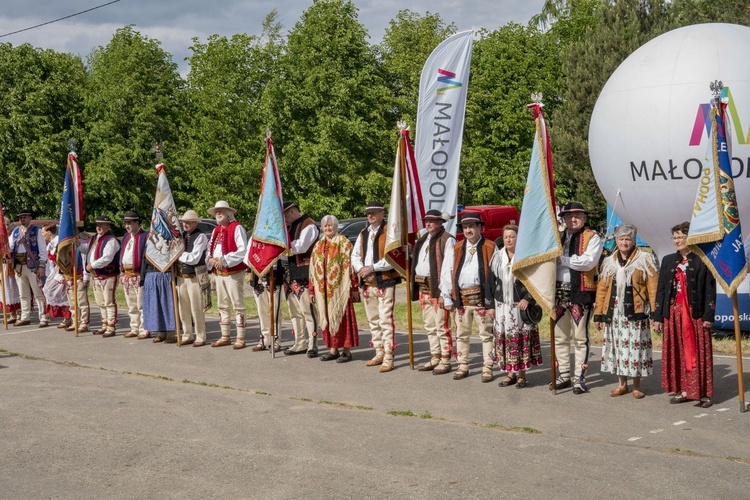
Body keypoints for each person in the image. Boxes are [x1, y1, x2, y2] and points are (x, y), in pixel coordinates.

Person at [652, 221, 716, 408]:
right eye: (675, 237)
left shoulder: (703, 259)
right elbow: (662, 290)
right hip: (673, 313)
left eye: (681, 237)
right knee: (677, 352)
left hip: (695, 314)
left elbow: (710, 289)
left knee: (699, 352)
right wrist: (658, 316)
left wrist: (708, 315)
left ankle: (704, 393)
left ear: (691, 238)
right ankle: (683, 390)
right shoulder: (668, 260)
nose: (677, 241)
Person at [594, 225, 658, 399]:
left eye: (627, 239)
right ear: (616, 240)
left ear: (633, 240)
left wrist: (655, 313)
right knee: (618, 348)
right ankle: (622, 384)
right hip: (614, 313)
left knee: (635, 349)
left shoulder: (645, 259)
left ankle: (637, 386)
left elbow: (653, 288)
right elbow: (602, 289)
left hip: (636, 311)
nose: (624, 242)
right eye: (621, 239)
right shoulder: (609, 262)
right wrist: (598, 314)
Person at [441, 212, 498, 382]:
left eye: (472, 226)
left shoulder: (490, 246)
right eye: (465, 227)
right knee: (462, 334)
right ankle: (462, 365)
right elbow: (447, 272)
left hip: (482, 299)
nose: (468, 230)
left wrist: (492, 302)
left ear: (480, 227)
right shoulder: (456, 247)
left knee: (486, 334)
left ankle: (487, 367)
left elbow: (496, 274)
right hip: (462, 299)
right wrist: (448, 297)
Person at [553, 202, 602, 394]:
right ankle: (563, 373)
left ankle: (578, 378)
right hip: (557, 292)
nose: (573, 219)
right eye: (569, 216)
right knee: (560, 336)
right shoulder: (557, 237)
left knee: (580, 338)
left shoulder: (592, 237)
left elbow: (588, 262)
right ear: (563, 219)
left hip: (580, 292)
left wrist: (562, 259)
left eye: (577, 216)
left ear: (584, 218)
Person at [486, 224, 543, 388]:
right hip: (502, 306)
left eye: (512, 236)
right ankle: (510, 373)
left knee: (519, 339)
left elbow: (535, 280)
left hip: (520, 307)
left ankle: (522, 375)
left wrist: (528, 298)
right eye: (506, 237)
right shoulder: (497, 258)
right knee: (505, 339)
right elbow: (490, 282)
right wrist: (489, 305)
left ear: (519, 238)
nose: (508, 239)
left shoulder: (526, 258)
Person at [351, 201, 402, 373]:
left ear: (382, 213)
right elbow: (355, 255)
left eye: (374, 212)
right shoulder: (364, 233)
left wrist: (372, 268)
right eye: (368, 213)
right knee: (373, 319)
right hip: (367, 281)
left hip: (385, 279)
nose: (370, 216)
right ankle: (378, 351)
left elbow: (392, 257)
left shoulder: (390, 232)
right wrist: (361, 269)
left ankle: (388, 354)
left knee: (385, 318)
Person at [411, 210, 455, 375]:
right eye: (426, 221)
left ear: (440, 222)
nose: (428, 224)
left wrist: (445, 293)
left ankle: (445, 359)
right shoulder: (423, 239)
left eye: (432, 221)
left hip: (438, 288)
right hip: (424, 287)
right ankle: (435, 356)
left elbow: (448, 267)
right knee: (429, 325)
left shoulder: (447, 240)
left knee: (442, 326)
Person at [310, 215, 359, 362]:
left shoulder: (344, 243)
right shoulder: (318, 245)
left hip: (341, 290)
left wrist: (354, 287)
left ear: (336, 227)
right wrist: (312, 290)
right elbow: (313, 270)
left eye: (330, 226)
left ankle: (346, 351)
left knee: (342, 319)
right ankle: (333, 350)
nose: (328, 228)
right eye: (325, 226)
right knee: (327, 318)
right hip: (323, 291)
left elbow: (351, 268)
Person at [206, 200, 248, 349]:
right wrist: (210, 259)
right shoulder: (216, 230)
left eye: (221, 211)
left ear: (229, 213)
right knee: (222, 305)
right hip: (218, 274)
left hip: (233, 273)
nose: (218, 213)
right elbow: (209, 249)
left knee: (238, 304)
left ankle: (240, 337)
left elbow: (242, 251)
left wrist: (223, 260)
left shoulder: (237, 228)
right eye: (216, 211)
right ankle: (225, 336)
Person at [282, 201, 320, 357]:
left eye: (284, 215)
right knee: (294, 311)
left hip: (304, 272)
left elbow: (302, 246)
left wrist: (281, 246)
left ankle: (312, 343)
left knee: (307, 310)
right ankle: (300, 342)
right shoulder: (289, 228)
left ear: (291, 211)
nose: (283, 219)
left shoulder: (309, 225)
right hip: (290, 273)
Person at [9, 209, 49, 327]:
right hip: (19, 266)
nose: (23, 219)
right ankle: (25, 316)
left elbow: (42, 249)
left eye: (25, 217)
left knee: (38, 293)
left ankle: (43, 317)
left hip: (33, 266)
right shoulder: (16, 231)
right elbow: (10, 247)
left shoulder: (36, 230)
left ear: (30, 218)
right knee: (23, 294)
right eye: (21, 217)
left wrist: (41, 265)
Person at [176, 210, 208, 346]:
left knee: (196, 307)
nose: (185, 225)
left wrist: (178, 255)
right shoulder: (182, 236)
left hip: (195, 276)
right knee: (183, 307)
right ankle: (187, 334)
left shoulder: (200, 236)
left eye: (188, 222)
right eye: (184, 222)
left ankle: (200, 336)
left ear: (195, 223)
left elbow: (194, 258)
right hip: (181, 276)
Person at [86, 215, 121, 337]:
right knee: (100, 302)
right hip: (97, 275)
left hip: (108, 275)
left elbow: (107, 258)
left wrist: (92, 265)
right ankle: (104, 324)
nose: (98, 227)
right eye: (97, 225)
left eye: (101, 225)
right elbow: (89, 251)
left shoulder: (111, 240)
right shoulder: (95, 239)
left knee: (109, 301)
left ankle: (111, 326)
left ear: (108, 226)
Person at [119, 211, 148, 338]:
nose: (127, 226)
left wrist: (143, 274)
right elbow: (122, 256)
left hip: (138, 274)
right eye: (126, 223)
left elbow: (146, 258)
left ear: (137, 223)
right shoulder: (126, 237)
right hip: (127, 274)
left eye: (130, 223)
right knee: (131, 305)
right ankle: (134, 328)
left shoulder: (145, 237)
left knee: (141, 304)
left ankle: (144, 328)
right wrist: (121, 273)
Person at [247, 262, 283, 352]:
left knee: (274, 310)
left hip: (273, 272)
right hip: (258, 273)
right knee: (261, 309)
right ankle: (265, 338)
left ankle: (276, 339)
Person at [141, 256, 177, 344]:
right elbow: (144, 260)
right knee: (156, 306)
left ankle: (171, 334)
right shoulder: (149, 243)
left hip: (166, 274)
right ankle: (161, 333)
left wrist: (175, 277)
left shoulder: (170, 242)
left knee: (167, 305)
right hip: (151, 275)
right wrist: (143, 277)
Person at [41, 224, 71, 329]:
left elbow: (64, 259)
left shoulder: (59, 242)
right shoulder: (50, 244)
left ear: (49, 232)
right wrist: (49, 274)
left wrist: (62, 275)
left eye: (43, 232)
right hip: (54, 271)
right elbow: (50, 263)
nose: (42, 234)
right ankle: (51, 315)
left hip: (61, 272)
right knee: (47, 290)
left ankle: (67, 318)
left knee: (62, 295)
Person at [62, 233, 91, 333]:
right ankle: (75, 322)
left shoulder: (81, 245)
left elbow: (85, 260)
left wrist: (86, 276)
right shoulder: (65, 245)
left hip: (80, 276)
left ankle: (84, 323)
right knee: (72, 302)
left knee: (82, 301)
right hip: (70, 277)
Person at [1, 215, 21, 324]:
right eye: (4, 225)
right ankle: (11, 314)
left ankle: (19, 313)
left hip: (13, 265)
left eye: (7, 224)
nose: (6, 227)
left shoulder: (14, 235)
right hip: (3, 267)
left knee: (16, 289)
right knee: (6, 291)